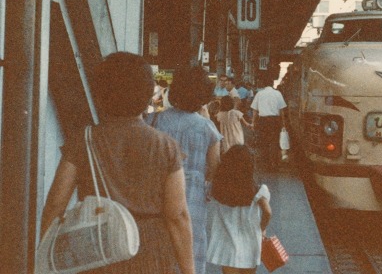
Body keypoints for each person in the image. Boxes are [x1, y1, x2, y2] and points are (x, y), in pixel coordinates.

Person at [40, 52, 195, 274]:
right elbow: (177, 216)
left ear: (101, 96)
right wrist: (189, 270)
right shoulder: (166, 146)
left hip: (99, 253)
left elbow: (55, 205)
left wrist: (48, 257)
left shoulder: (83, 140)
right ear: (147, 96)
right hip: (151, 257)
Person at [150, 65, 223, 274]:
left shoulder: (154, 120)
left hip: (157, 195)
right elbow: (213, 169)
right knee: (190, 247)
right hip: (193, 198)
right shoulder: (208, 129)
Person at [206, 145, 272, 274]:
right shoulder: (257, 190)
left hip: (227, 246)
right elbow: (268, 212)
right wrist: (262, 228)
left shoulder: (218, 190)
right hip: (250, 244)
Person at [250, 76, 287, 171]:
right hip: (275, 120)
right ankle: (274, 163)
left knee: (264, 142)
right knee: (274, 141)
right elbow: (282, 110)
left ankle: (265, 164)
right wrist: (283, 123)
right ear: (272, 84)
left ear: (263, 84)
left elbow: (254, 110)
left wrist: (253, 122)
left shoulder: (259, 94)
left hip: (263, 121)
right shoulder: (278, 93)